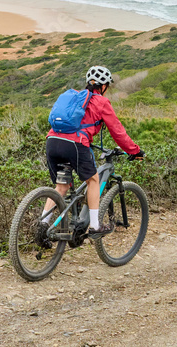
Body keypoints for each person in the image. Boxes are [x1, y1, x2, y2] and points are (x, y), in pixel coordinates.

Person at [43, 65, 144, 238]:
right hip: (75, 144)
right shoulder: (101, 102)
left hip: (52, 141)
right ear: (103, 86)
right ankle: (95, 226)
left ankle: (42, 224)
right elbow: (117, 131)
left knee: (61, 187)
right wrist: (134, 151)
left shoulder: (71, 96)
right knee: (93, 180)